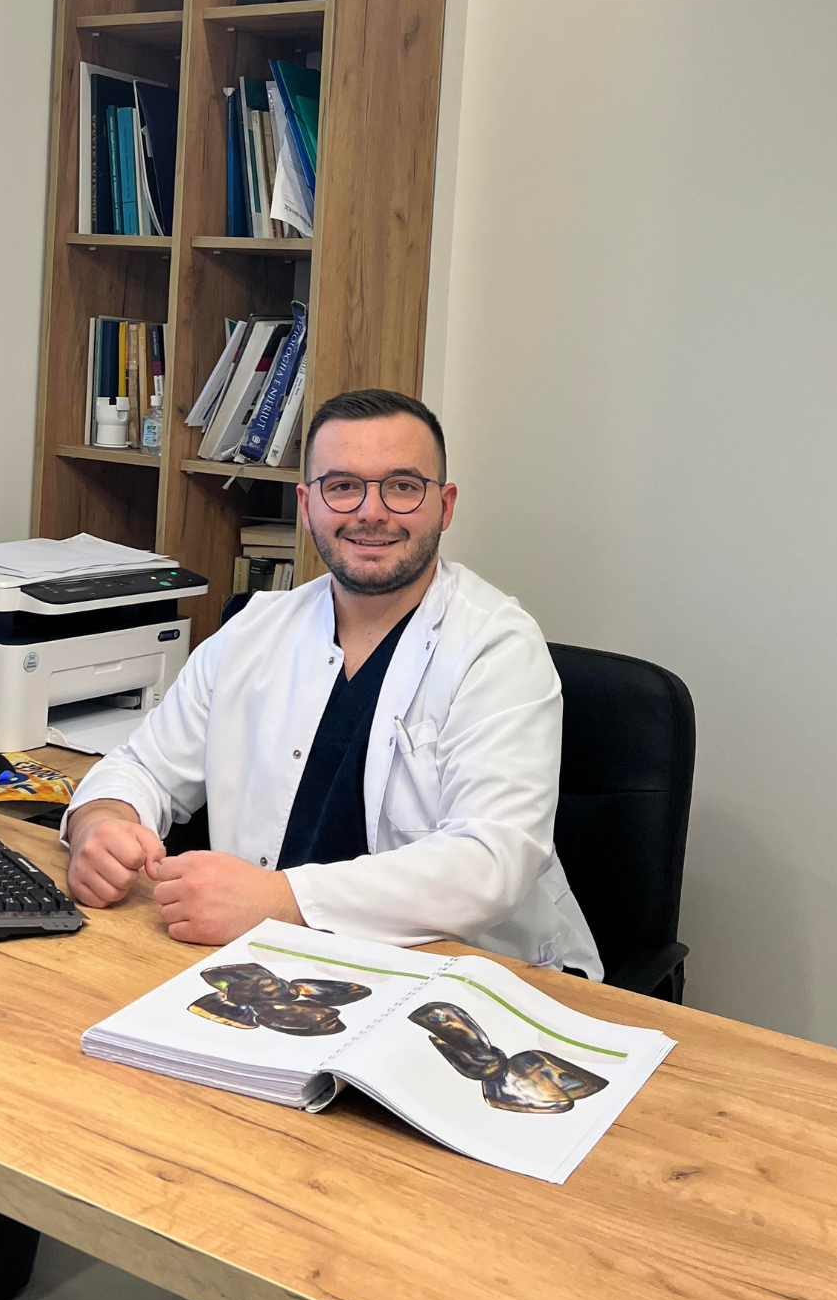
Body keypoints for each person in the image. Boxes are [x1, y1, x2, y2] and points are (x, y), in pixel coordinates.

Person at [63, 386, 600, 979]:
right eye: (343, 486)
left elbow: (491, 860)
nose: (371, 512)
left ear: (444, 506)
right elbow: (143, 767)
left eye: (402, 486)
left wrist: (280, 900)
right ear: (307, 504)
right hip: (268, 966)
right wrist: (101, 822)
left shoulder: (497, 648)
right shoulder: (255, 631)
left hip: (462, 975)